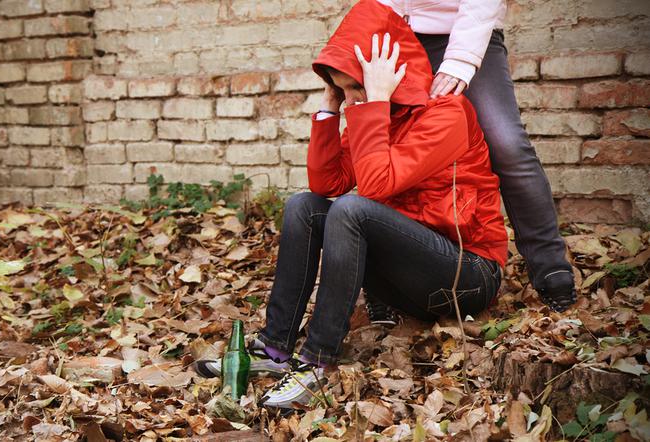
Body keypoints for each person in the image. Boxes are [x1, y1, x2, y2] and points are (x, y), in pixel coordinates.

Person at [196, 0, 507, 410]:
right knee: (304, 207)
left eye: (356, 87)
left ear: (394, 72)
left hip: (467, 277)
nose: (353, 99)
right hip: (410, 279)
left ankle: (318, 364)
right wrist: (332, 105)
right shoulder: (377, 115)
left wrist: (372, 103)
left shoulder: (445, 114)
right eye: (344, 89)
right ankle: (274, 350)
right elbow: (327, 182)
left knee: (352, 209)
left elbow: (375, 186)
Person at [363, 0, 577, 324]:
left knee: (507, 145)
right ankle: (381, 286)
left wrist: (461, 59)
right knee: (384, 144)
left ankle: (553, 273)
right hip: (395, 36)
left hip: (464, 34)